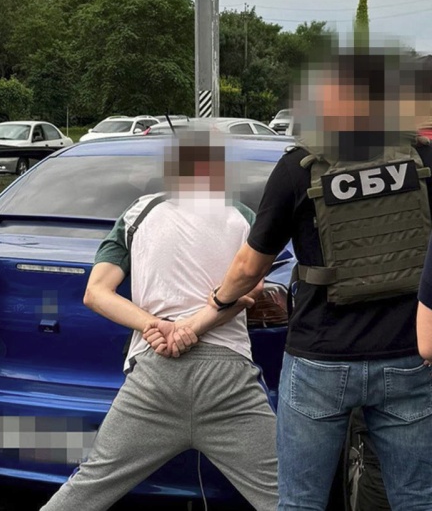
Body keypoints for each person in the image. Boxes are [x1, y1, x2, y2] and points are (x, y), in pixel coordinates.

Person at [212, 48, 432, 510]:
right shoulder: (422, 158)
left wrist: (217, 302)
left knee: (300, 502)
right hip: (407, 357)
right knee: (416, 499)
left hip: (320, 359)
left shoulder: (300, 166)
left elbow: (250, 267)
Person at [40, 128, 279, 511]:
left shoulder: (139, 213)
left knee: (87, 490)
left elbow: (96, 293)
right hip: (227, 376)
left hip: (154, 375)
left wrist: (154, 326)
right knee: (285, 497)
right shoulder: (242, 216)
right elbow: (249, 289)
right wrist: (192, 326)